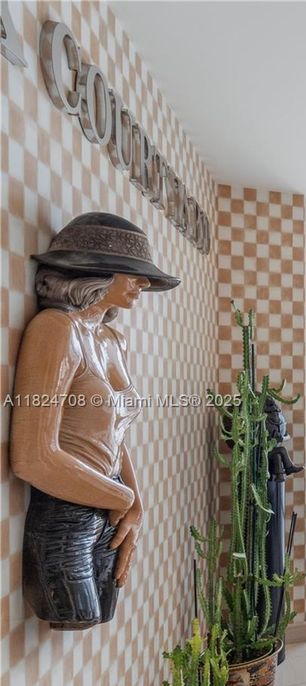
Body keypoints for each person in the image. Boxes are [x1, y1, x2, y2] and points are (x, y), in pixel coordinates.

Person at [10, 213, 180, 629]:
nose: (142, 284)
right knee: (75, 613)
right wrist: (120, 499)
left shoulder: (111, 339)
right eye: (135, 274)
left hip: (109, 508)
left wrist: (134, 503)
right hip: (67, 515)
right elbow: (33, 457)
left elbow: (113, 435)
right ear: (97, 272)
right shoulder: (55, 330)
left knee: (98, 614)